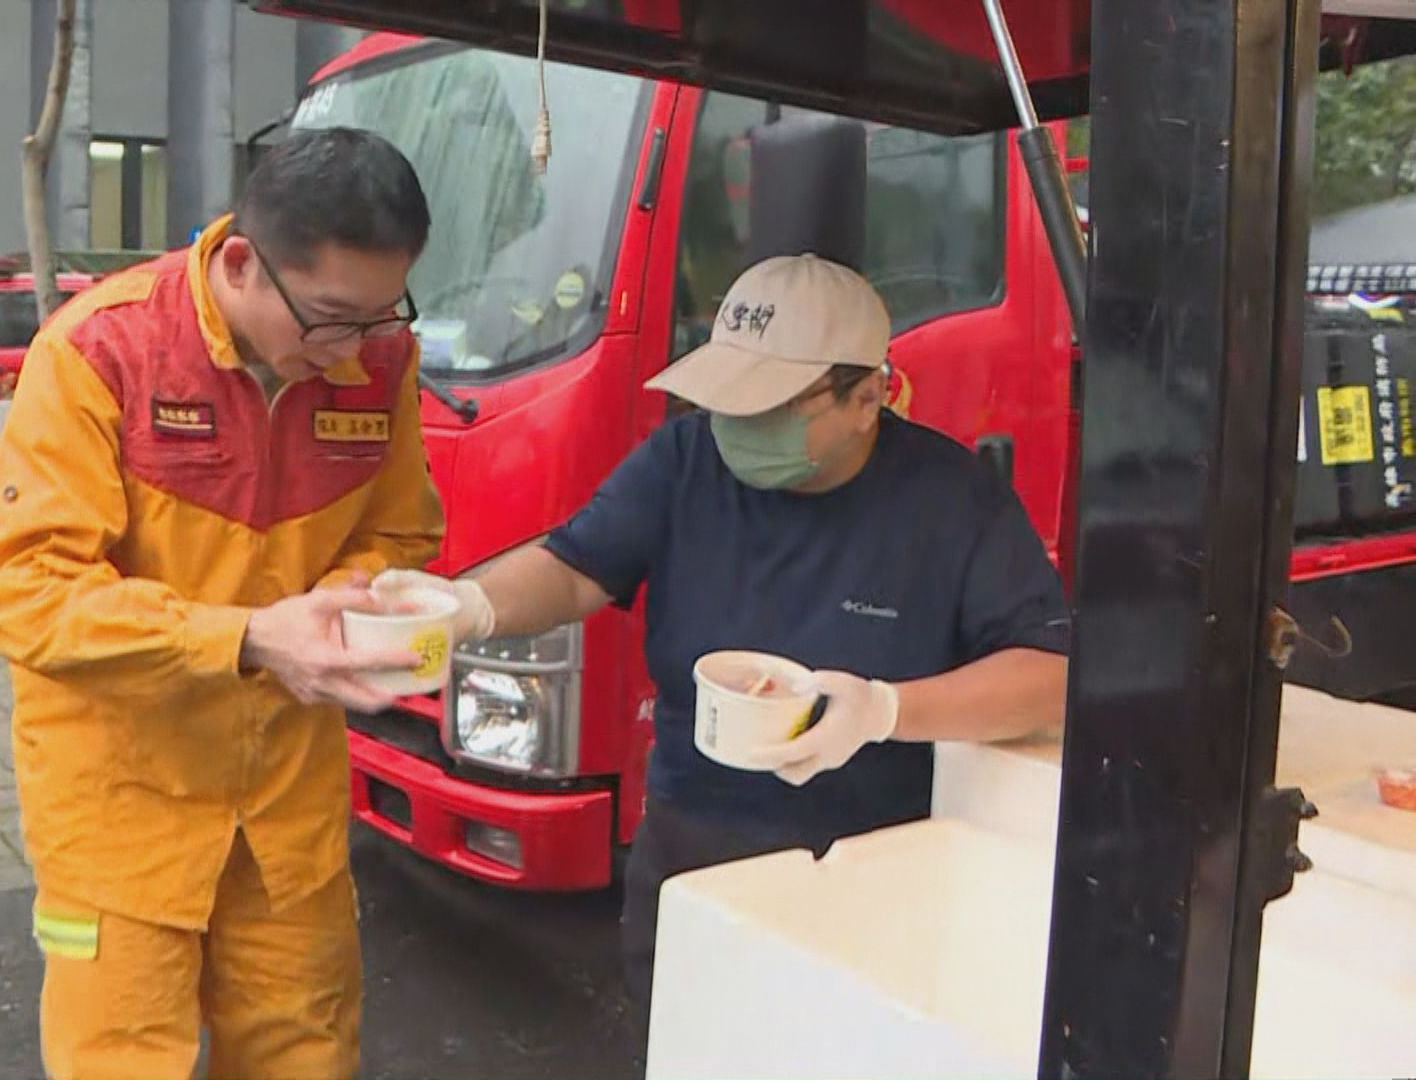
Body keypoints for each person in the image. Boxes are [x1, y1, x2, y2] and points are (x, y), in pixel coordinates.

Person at [377, 254, 1071, 1033]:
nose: (737, 427)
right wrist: (466, 606)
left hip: (876, 864)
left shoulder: (950, 499)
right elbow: (576, 569)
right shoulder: (685, 460)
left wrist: (882, 709)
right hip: (692, 843)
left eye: (768, 405)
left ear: (867, 396)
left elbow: (1050, 677)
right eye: (726, 400)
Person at [0, 127, 444, 1080]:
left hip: (286, 812)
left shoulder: (379, 360)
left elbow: (400, 532)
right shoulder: (101, 350)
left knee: (305, 1055)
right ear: (241, 262)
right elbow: (26, 593)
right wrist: (252, 638)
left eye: (382, 316)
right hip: (122, 812)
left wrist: (357, 597)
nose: (353, 350)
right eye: (329, 319)